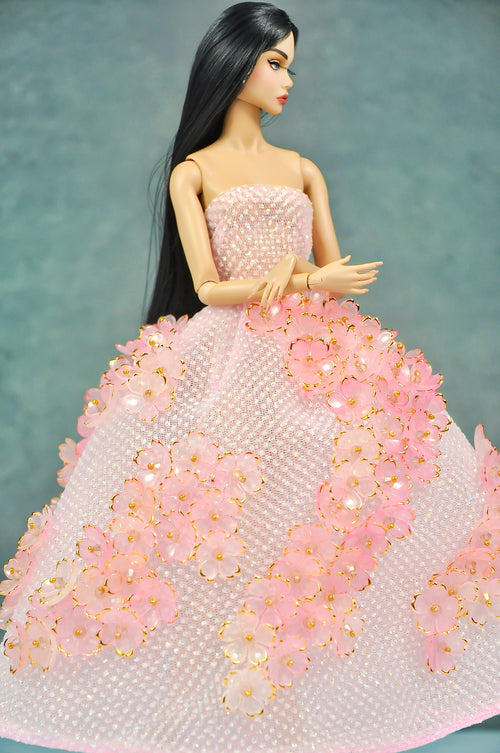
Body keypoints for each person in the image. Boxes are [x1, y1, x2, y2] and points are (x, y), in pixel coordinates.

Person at [0, 4, 499, 753]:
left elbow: (331, 266)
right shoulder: (194, 173)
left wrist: (320, 281)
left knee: (339, 502)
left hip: (316, 358)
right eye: (275, 62)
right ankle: (207, 710)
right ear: (235, 65)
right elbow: (208, 285)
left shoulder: (302, 169)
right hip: (228, 357)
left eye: (289, 63)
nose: (287, 79)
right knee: (222, 521)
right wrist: (299, 281)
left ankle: (306, 704)